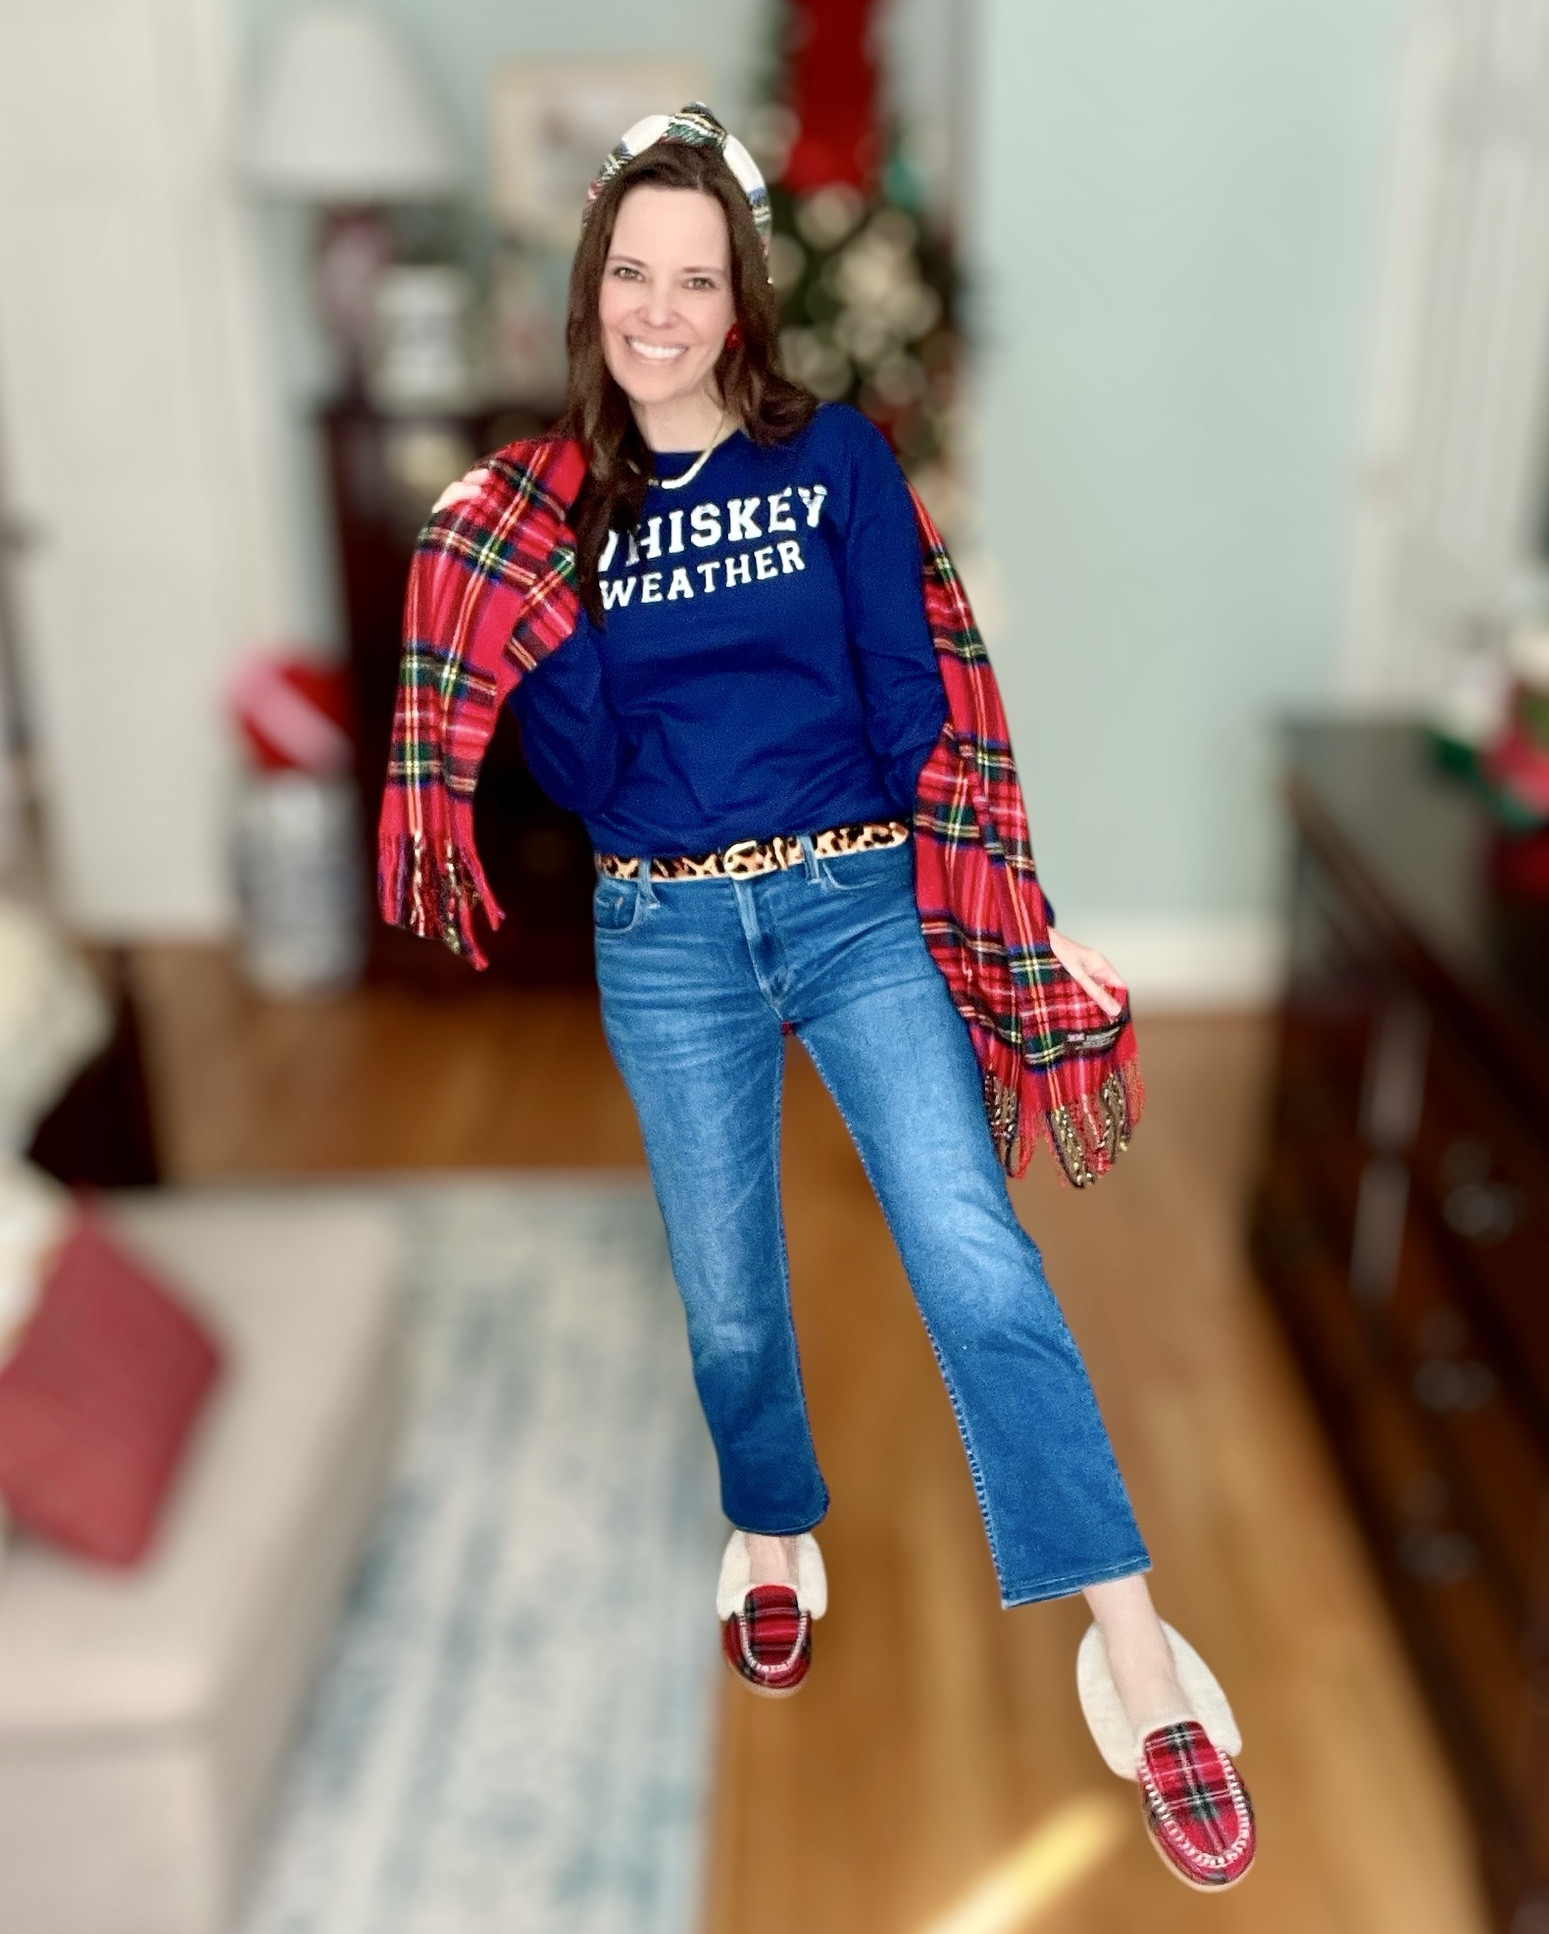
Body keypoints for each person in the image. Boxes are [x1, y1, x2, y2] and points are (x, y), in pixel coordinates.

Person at [378, 105, 1256, 1892]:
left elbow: (907, 698)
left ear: (741, 301)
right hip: (663, 928)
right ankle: (773, 1530)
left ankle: (1137, 1652)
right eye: (631, 274)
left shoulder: (832, 459)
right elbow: (593, 777)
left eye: (695, 280)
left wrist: (924, 880)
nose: (659, 310)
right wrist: (548, 638)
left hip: (852, 904)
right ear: (593, 290)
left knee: (972, 1252)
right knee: (723, 1289)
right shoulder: (539, 523)